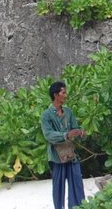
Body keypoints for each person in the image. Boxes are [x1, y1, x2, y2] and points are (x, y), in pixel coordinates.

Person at [41, 81, 86, 209]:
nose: (66, 95)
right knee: (58, 190)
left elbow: (75, 128)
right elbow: (48, 135)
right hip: (57, 157)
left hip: (72, 156)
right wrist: (66, 135)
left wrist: (80, 133)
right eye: (63, 92)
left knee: (77, 186)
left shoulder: (69, 112)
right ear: (56, 95)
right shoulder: (46, 115)